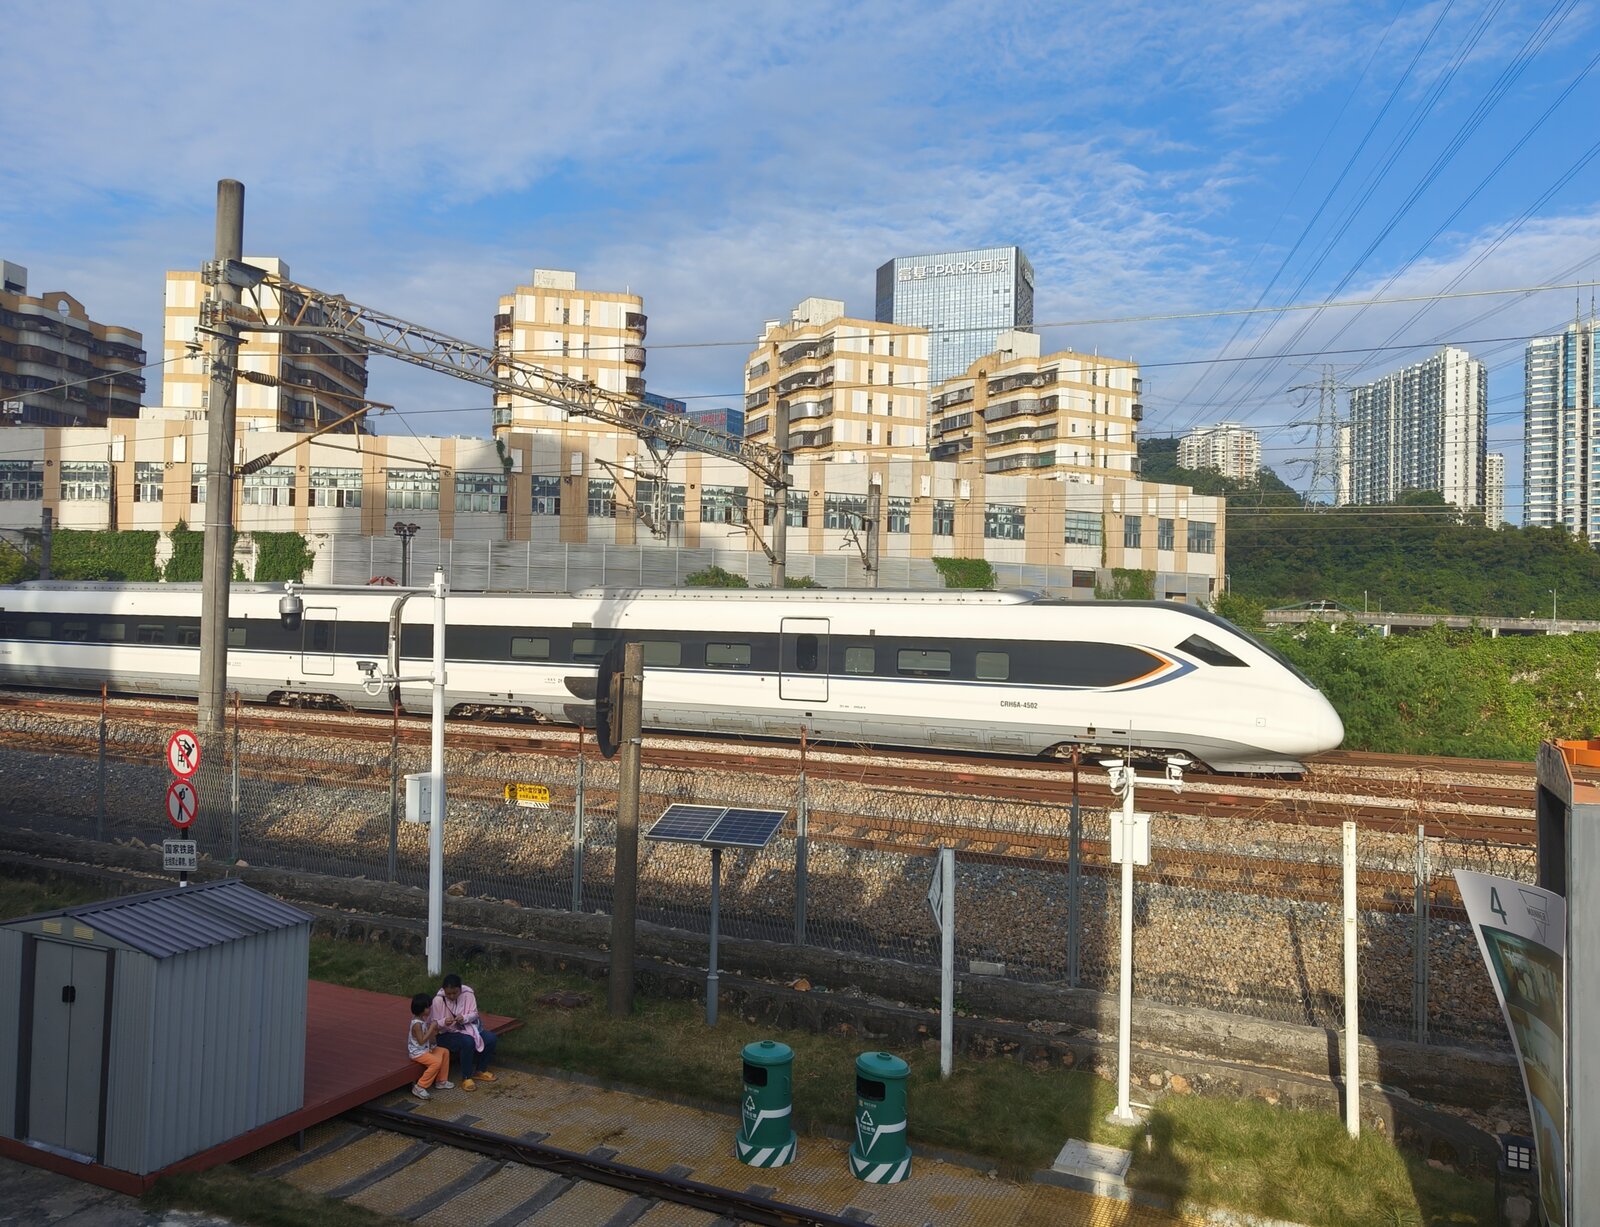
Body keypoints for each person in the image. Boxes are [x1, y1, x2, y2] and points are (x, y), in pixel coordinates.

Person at [431, 973, 498, 1092]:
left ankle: (481, 1070)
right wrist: (443, 1022)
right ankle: (466, 1077)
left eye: (455, 993)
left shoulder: (468, 994)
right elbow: (434, 1023)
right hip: (445, 1034)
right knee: (467, 1041)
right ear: (444, 990)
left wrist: (464, 1018)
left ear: (460, 989)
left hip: (467, 1028)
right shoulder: (438, 1000)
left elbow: (474, 1014)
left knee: (491, 1038)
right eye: (448, 994)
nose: (452, 996)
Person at [406, 992, 454, 1100]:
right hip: (418, 1053)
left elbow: (427, 1037)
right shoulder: (416, 1024)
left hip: (425, 1049)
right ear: (421, 1009)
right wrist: (431, 1028)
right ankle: (420, 1086)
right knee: (436, 1062)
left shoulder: (422, 1019)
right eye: (428, 1007)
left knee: (444, 1052)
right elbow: (421, 1041)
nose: (430, 1009)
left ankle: (441, 1081)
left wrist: (433, 1036)